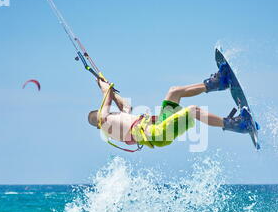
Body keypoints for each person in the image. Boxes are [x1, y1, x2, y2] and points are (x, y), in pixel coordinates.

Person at [88, 62, 254, 149]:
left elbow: (124, 106)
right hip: (158, 135)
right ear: (98, 118)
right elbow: (107, 97)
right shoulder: (104, 122)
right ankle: (238, 125)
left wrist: (109, 87)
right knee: (193, 111)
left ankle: (218, 82)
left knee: (174, 92)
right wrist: (102, 85)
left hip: (158, 126)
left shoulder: (114, 121)